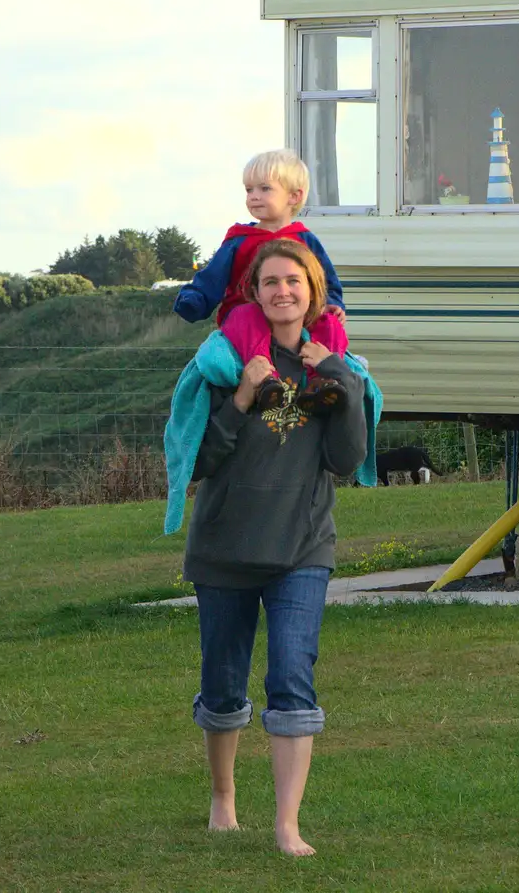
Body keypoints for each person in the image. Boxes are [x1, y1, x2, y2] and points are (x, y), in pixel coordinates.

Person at [183, 238, 368, 857]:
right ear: (254, 294)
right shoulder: (224, 361)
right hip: (225, 548)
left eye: (295, 281)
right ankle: (223, 798)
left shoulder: (336, 366)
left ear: (313, 290)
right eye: (271, 283)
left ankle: (287, 825)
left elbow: (346, 459)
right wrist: (241, 397)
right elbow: (198, 460)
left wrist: (338, 378)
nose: (283, 292)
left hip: (302, 548)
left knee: (292, 676)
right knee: (223, 682)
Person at [175, 149, 351, 414]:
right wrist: (194, 300)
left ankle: (321, 382)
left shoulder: (305, 240)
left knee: (329, 323)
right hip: (245, 316)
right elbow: (212, 277)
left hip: (295, 317)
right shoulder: (239, 240)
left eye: (264, 188)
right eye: (249, 190)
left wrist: (332, 303)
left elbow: (325, 279)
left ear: (294, 196)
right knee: (247, 314)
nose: (254, 196)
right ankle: (266, 381)